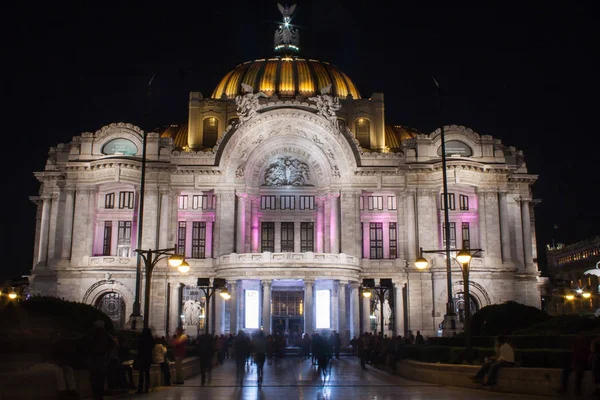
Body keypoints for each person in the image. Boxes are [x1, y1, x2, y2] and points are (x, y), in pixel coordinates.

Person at [88, 319, 115, 400]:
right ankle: (100, 395)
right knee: (100, 378)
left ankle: (95, 395)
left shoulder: (93, 333)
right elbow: (112, 343)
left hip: (94, 358)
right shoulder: (106, 334)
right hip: (103, 358)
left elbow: (87, 344)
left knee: (94, 378)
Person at [558, 330, 589, 396]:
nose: (580, 336)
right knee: (565, 371)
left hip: (582, 364)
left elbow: (583, 356)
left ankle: (577, 391)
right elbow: (574, 355)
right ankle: (564, 389)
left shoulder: (585, 344)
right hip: (577, 363)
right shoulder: (576, 343)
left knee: (578, 373)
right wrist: (574, 363)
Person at [136, 327, 154, 394]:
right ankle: (146, 388)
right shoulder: (151, 339)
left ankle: (140, 388)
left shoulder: (141, 339)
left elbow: (138, 348)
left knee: (141, 374)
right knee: (147, 373)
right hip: (148, 358)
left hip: (142, 357)